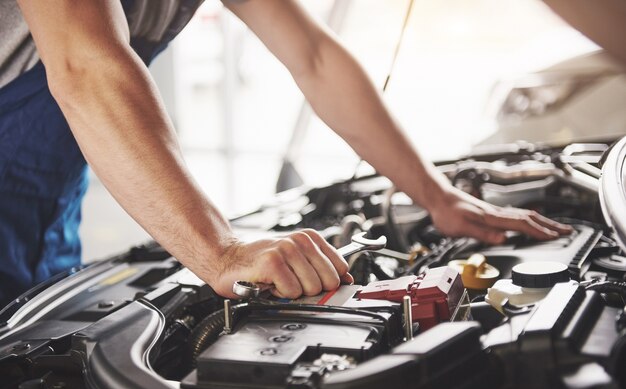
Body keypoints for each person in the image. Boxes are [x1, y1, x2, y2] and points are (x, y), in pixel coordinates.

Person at [0, 0, 572, 308]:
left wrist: (436, 196)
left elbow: (315, 56)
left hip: (45, 196)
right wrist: (220, 252)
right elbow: (84, 67)